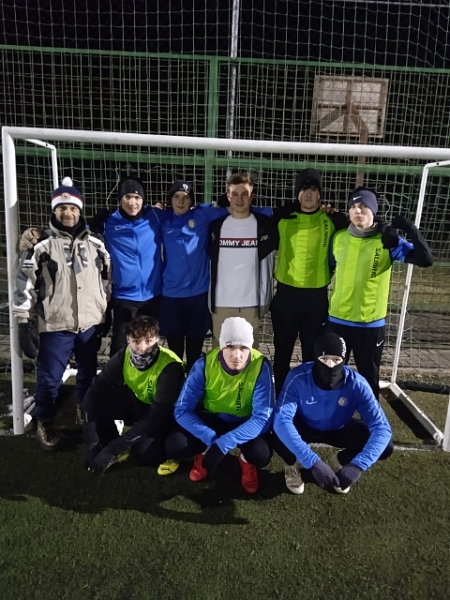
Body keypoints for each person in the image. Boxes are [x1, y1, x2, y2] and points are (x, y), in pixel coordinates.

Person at [13, 177, 111, 450]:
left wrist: (104, 313)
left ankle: (84, 412)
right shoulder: (41, 245)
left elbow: (106, 280)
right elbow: (24, 285)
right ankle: (43, 421)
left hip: (89, 324)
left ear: (80, 210)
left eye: (73, 208)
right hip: (55, 325)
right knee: (49, 379)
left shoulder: (97, 243)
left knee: (88, 374)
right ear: (54, 210)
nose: (68, 213)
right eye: (62, 208)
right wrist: (23, 322)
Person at [20, 175, 165, 356]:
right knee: (121, 349)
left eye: (137, 197)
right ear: (120, 199)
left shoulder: (156, 216)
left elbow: (180, 218)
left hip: (154, 295)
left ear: (143, 199)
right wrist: (39, 234)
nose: (132, 202)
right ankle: (117, 375)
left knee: (150, 346)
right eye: (127, 197)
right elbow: (71, 233)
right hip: (124, 297)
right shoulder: (107, 222)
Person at [327, 187, 433, 399]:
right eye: (353, 206)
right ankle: (331, 416)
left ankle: (371, 418)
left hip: (370, 324)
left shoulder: (387, 240)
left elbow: (426, 259)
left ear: (374, 211)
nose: (358, 211)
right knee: (332, 377)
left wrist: (411, 229)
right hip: (337, 321)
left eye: (364, 206)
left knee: (369, 379)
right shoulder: (338, 238)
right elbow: (329, 268)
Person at [272, 332, 393, 495]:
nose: (330, 365)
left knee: (385, 447)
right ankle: (291, 465)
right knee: (278, 433)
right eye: (324, 359)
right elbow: (281, 420)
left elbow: (382, 428)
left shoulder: (357, 384)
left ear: (344, 359)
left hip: (339, 428)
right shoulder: (298, 378)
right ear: (315, 358)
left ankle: (339, 462)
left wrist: (358, 466)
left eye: (336, 360)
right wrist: (313, 462)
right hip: (305, 426)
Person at [166, 317, 274, 493]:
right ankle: (204, 451)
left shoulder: (261, 366)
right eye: (230, 346)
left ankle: (245, 460)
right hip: (211, 419)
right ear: (222, 345)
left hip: (243, 421)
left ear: (250, 347)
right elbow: (182, 410)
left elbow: (263, 418)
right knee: (175, 446)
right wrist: (211, 438)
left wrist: (224, 443)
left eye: (243, 348)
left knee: (261, 454)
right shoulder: (204, 363)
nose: (236, 355)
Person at [270, 168, 348, 396]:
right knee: (282, 352)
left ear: (320, 194)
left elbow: (359, 224)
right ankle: (281, 397)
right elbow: (249, 212)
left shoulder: (331, 220)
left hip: (315, 299)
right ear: (297, 193)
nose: (309, 193)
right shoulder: (283, 218)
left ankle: (309, 399)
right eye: (304, 189)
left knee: (311, 354)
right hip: (285, 297)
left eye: (313, 189)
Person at [82, 315, 185, 475]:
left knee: (145, 454)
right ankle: (112, 441)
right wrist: (91, 443)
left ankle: (171, 449)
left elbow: (154, 418)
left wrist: (112, 449)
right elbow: (94, 391)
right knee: (99, 401)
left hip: (166, 414)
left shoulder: (170, 367)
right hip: (140, 404)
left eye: (148, 341)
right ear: (128, 340)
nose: (142, 348)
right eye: (136, 341)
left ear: (157, 339)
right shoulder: (123, 355)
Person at [157, 180, 229, 371]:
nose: (181, 201)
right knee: (174, 352)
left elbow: (236, 209)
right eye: (176, 197)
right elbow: (139, 214)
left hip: (198, 295)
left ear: (192, 201)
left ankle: (193, 386)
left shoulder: (202, 215)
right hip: (171, 296)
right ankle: (175, 384)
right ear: (170, 200)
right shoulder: (162, 218)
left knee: (195, 350)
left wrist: (272, 213)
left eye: (186, 197)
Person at [209, 172, 276, 349]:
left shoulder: (264, 225)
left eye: (245, 194)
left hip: (251, 304)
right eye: (235, 194)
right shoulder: (216, 226)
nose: (240, 199)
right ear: (228, 196)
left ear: (252, 196)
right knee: (220, 356)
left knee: (249, 357)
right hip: (221, 303)